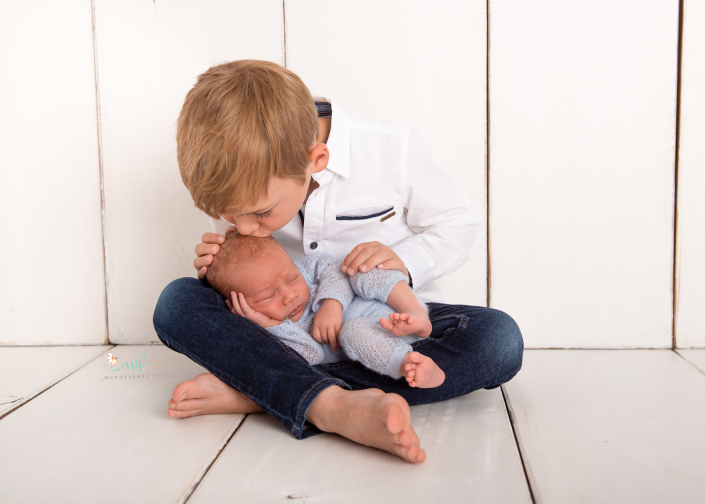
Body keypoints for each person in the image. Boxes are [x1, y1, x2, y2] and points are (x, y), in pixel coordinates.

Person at [153, 59, 524, 464]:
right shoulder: (246, 190)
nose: (246, 228)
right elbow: (245, 277)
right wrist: (217, 268)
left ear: (316, 159)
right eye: (229, 215)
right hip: (290, 335)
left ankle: (263, 390)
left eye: (261, 214)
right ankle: (333, 406)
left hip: (387, 323)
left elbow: (458, 221)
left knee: (499, 339)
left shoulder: (391, 149)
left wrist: (404, 261)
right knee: (177, 301)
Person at [205, 232, 445, 388]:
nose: (289, 295)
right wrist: (270, 326)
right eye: (268, 295)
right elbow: (311, 358)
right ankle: (411, 366)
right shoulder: (275, 330)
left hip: (396, 306)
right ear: (240, 306)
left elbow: (334, 270)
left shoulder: (307, 268)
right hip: (379, 337)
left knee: (358, 267)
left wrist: (332, 303)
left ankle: (416, 313)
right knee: (352, 333)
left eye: (291, 278)